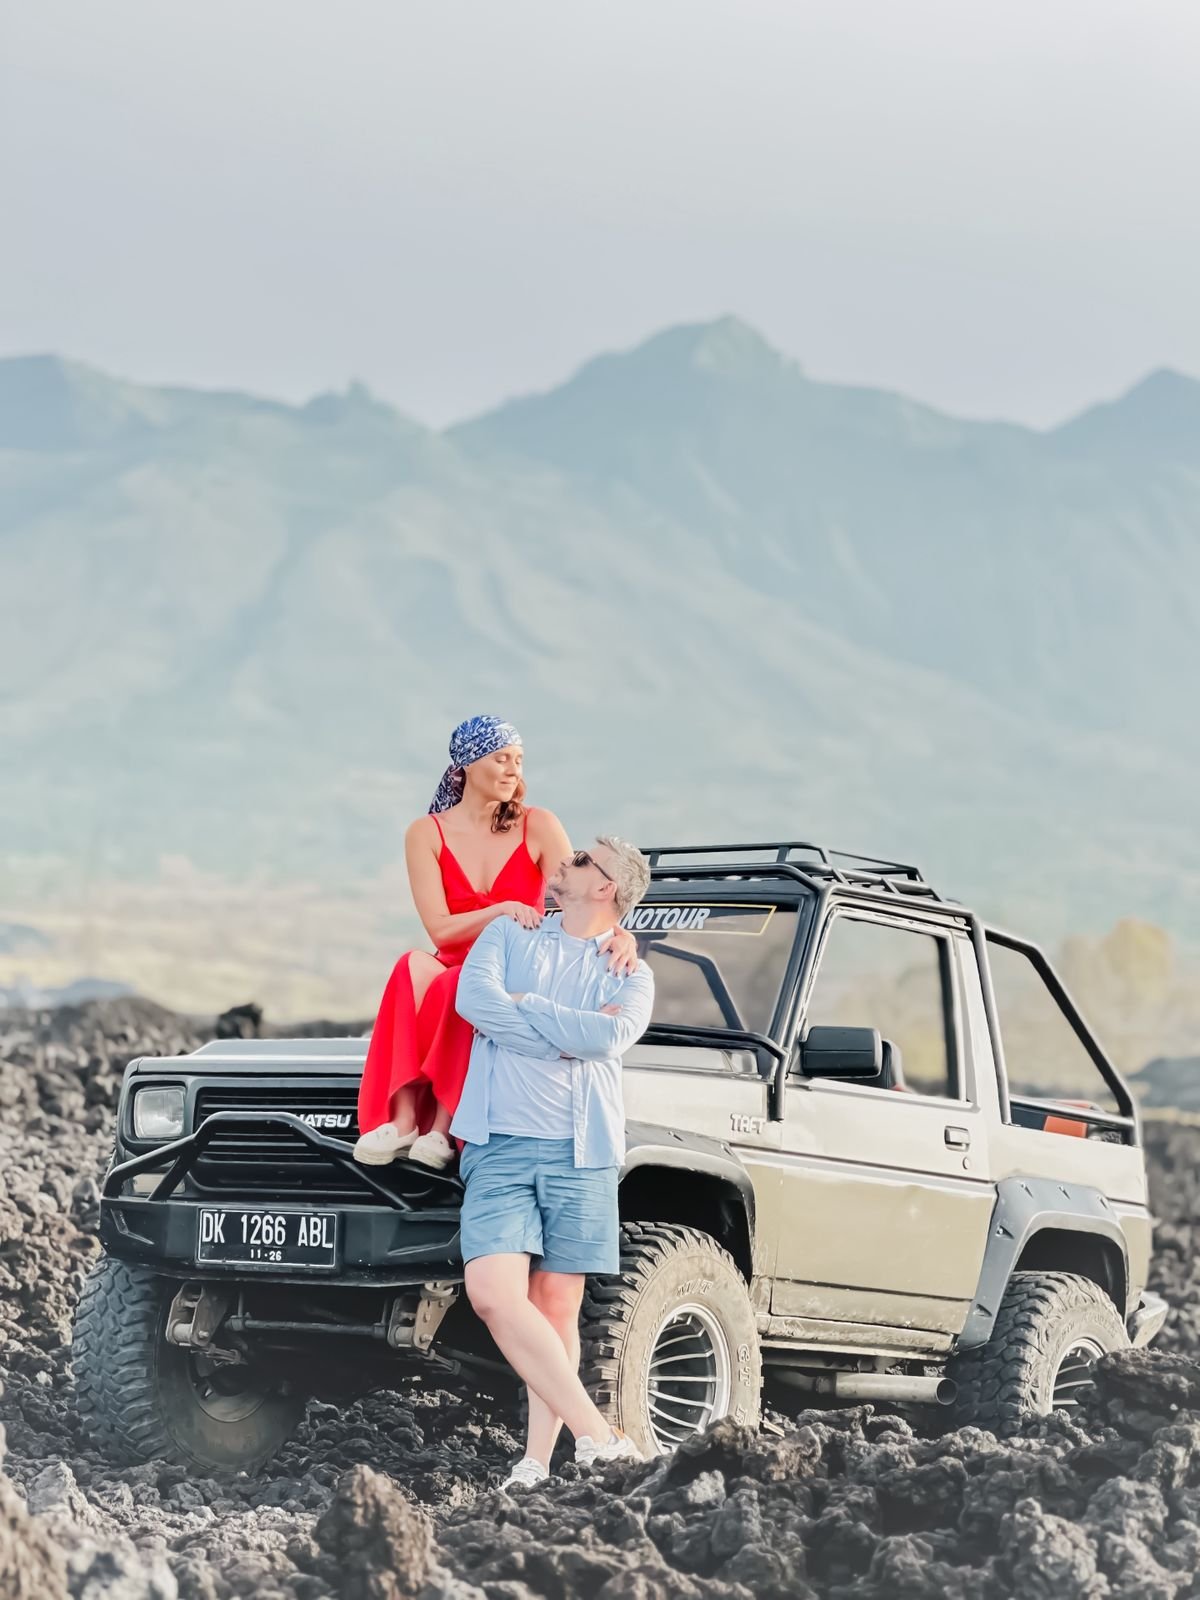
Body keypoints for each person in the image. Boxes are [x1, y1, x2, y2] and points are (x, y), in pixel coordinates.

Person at [452, 834, 654, 1488]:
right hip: (499, 1145)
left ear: (606, 888)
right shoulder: (510, 933)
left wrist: (526, 1009)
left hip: (583, 1152)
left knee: (557, 1305)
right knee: (492, 1294)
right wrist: (561, 1035)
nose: (567, 859)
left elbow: (610, 1036)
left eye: (584, 860)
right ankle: (601, 1435)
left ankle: (536, 1461)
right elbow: (472, 1001)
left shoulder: (631, 970)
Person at [354, 717, 637, 1170]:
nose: (513, 770)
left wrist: (622, 934)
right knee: (411, 965)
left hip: (514, 967)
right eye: (501, 758)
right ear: (467, 764)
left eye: (518, 760)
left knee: (459, 984)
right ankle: (403, 1121)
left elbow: (582, 893)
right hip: (454, 958)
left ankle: (442, 1128)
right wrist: (501, 909)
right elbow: (441, 931)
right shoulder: (425, 833)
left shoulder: (538, 824)